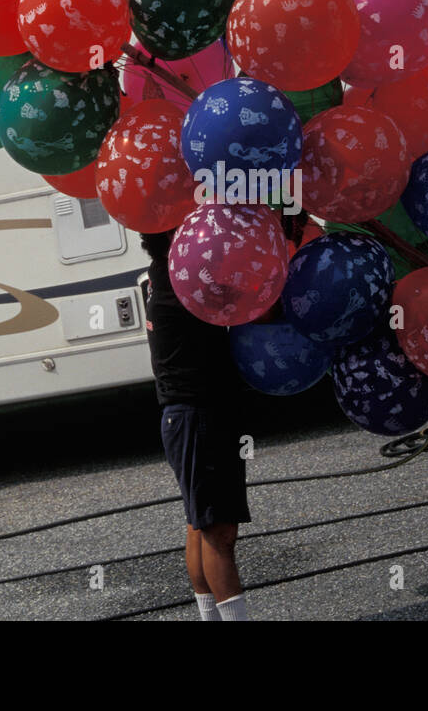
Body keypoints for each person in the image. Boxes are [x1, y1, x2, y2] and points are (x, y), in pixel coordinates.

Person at [142, 229, 251, 621]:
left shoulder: (164, 278)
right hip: (197, 413)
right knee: (219, 533)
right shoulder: (179, 283)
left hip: (187, 414)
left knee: (200, 524)